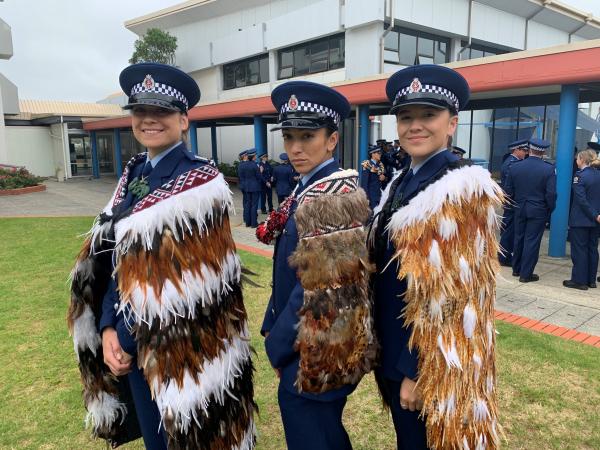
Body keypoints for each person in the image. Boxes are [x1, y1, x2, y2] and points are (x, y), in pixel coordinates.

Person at [67, 63, 256, 449]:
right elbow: (115, 264)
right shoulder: (134, 174)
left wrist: (122, 339)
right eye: (140, 112)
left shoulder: (199, 184)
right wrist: (106, 329)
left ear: (184, 120)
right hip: (133, 344)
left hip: (182, 351)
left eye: (162, 112)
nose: (149, 120)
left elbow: (185, 287)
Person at [369, 64, 502, 449]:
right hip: (395, 349)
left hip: (430, 362)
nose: (415, 126)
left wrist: (417, 372)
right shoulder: (403, 180)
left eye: (428, 115)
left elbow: (455, 298)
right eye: (406, 117)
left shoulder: (462, 190)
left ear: (452, 123)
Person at [258, 80, 377, 450]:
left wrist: (278, 346)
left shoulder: (333, 195)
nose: (295, 147)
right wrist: (270, 325)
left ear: (332, 140)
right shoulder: (308, 188)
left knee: (315, 436)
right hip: (308, 344)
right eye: (289, 136)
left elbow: (317, 291)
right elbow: (290, 270)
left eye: (307, 136)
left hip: (317, 351)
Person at [506, 138, 556, 283]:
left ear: (529, 149)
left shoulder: (515, 167)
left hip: (519, 207)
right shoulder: (548, 168)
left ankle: (516, 269)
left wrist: (514, 204)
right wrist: (549, 209)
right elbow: (551, 194)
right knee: (532, 242)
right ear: (543, 151)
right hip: (538, 210)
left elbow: (508, 190)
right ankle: (526, 274)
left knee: (519, 238)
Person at [563, 149, 600, 290]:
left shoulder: (580, 176)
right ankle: (591, 280)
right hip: (596, 220)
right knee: (592, 249)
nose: (576, 161)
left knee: (579, 250)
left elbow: (582, 200)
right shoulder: (598, 175)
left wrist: (594, 214)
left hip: (582, 219)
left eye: (577, 159)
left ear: (583, 160)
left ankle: (579, 280)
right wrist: (597, 215)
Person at [498, 139, 529, 267]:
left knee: (510, 230)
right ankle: (504, 256)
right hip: (512, 202)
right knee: (509, 231)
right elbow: (512, 186)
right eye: (523, 150)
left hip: (512, 202)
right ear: (516, 150)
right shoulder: (511, 164)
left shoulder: (515, 162)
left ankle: (505, 255)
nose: (525, 153)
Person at [238, 148, 263, 227]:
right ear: (253, 156)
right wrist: (261, 171)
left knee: (248, 204)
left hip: (246, 187)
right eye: (255, 155)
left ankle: (247, 223)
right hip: (255, 187)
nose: (256, 157)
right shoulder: (254, 165)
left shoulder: (243, 165)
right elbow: (259, 177)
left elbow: (241, 176)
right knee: (254, 205)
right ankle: (253, 223)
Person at [360, 144, 386, 209]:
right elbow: (364, 183)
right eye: (378, 153)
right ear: (372, 154)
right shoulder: (367, 165)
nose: (380, 155)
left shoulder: (380, 165)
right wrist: (366, 198)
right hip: (371, 196)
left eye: (380, 153)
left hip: (380, 195)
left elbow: (383, 180)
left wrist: (384, 178)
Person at [237, 149, 248, 221]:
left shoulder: (241, 164)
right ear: (244, 156)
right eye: (247, 155)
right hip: (246, 185)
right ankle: (246, 216)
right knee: (247, 201)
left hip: (243, 185)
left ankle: (246, 216)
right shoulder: (244, 164)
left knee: (246, 201)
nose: (248, 156)